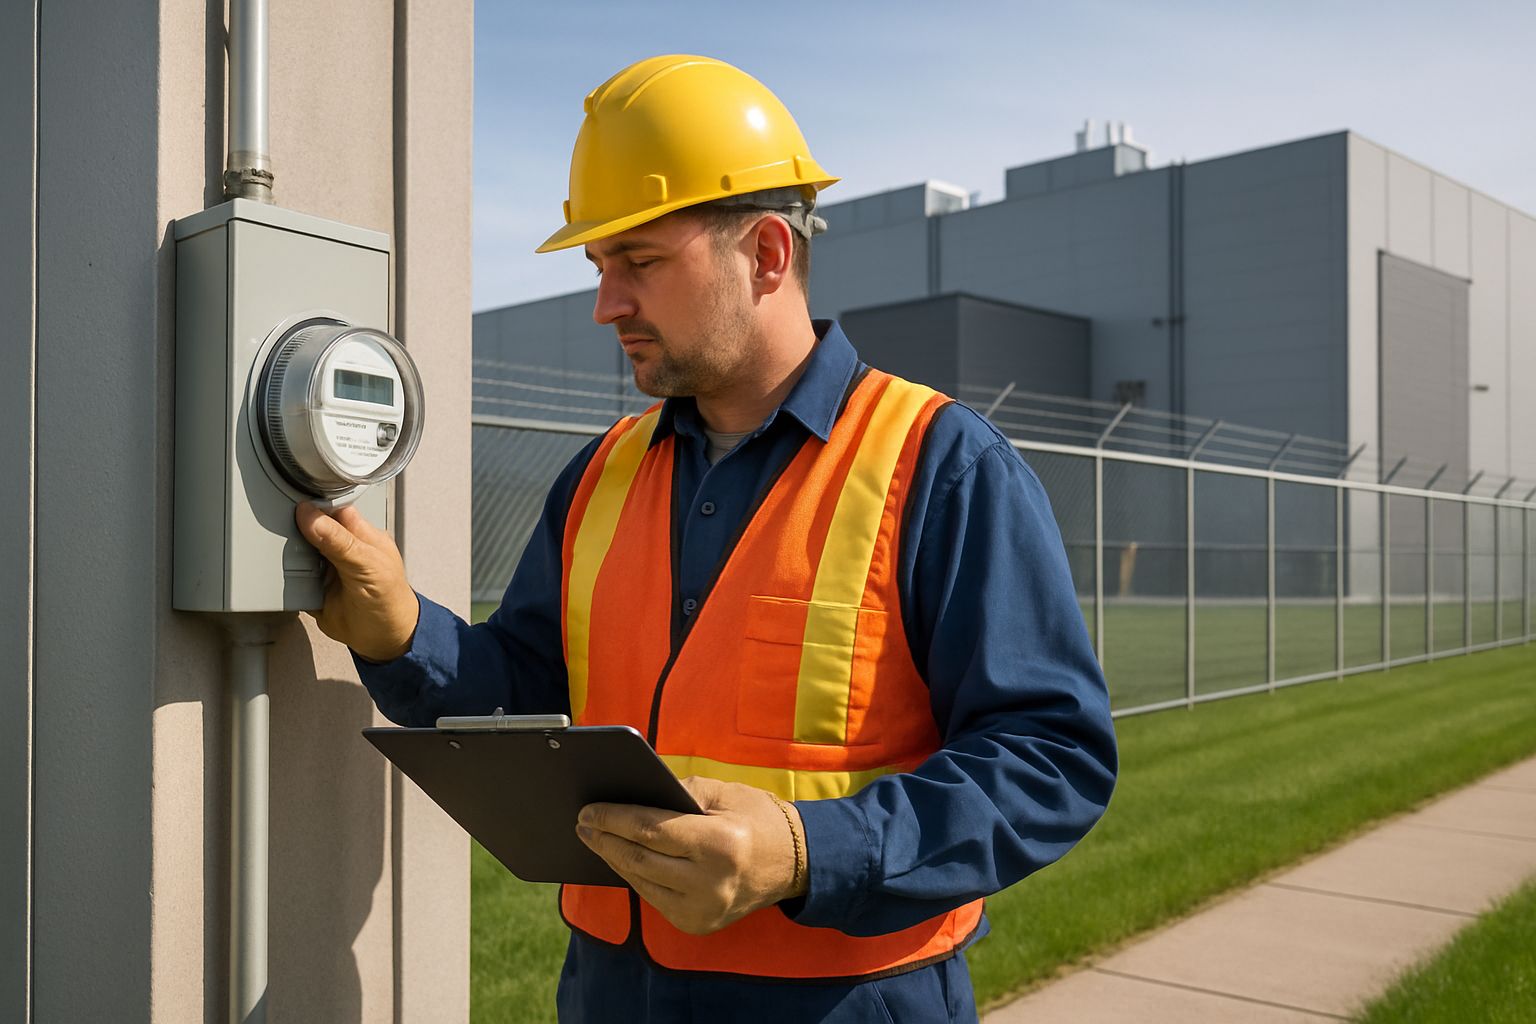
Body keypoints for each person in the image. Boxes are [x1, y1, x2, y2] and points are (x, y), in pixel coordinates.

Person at [296, 54, 1117, 1023]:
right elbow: (529, 693)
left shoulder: (939, 464)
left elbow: (1049, 754)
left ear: (767, 254)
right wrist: (402, 634)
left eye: (639, 262)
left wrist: (810, 851)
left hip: (848, 1001)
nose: (607, 305)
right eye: (602, 268)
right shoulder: (603, 473)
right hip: (611, 993)